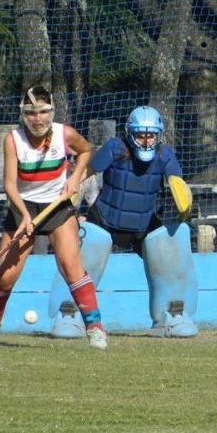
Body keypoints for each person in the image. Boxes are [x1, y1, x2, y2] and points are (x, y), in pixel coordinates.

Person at [0, 86, 106, 348]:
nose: (38, 118)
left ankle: (95, 326)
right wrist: (22, 215)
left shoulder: (65, 134)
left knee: (70, 267)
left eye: (44, 112)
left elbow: (86, 151)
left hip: (57, 206)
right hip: (23, 206)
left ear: (51, 112)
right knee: (5, 276)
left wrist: (75, 178)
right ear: (23, 114)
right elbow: (10, 184)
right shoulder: (13, 140)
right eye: (32, 113)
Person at [48, 106, 198, 338]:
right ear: (130, 133)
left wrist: (183, 200)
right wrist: (71, 190)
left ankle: (172, 313)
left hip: (143, 224)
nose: (146, 141)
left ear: (159, 135)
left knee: (169, 245)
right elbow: (86, 171)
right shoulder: (114, 148)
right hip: (105, 219)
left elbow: (177, 180)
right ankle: (69, 313)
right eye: (140, 135)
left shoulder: (164, 155)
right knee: (81, 254)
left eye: (151, 135)